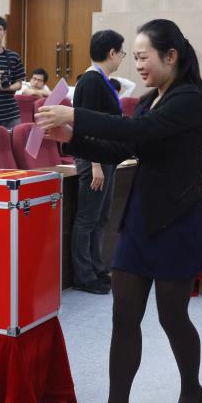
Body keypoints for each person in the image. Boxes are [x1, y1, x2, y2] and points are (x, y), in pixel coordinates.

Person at [36, 19, 202, 403]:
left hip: (178, 220)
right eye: (133, 58)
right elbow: (125, 146)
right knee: (124, 315)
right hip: (141, 220)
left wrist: (76, 113)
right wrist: (72, 136)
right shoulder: (154, 99)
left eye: (144, 57)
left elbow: (139, 131)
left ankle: (192, 389)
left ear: (171, 56)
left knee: (172, 316)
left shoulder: (191, 99)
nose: (138, 65)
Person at [70, 30, 127, 295]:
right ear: (111, 53)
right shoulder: (92, 81)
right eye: (122, 52)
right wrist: (94, 164)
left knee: (101, 217)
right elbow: (87, 125)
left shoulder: (102, 80)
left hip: (105, 157)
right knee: (87, 218)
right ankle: (83, 275)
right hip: (94, 159)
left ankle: (97, 267)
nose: (122, 57)